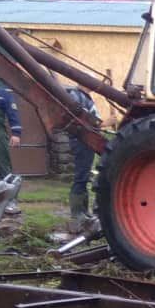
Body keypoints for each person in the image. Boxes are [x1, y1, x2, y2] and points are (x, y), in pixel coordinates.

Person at [63, 84, 104, 232]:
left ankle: (84, 211)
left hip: (87, 140)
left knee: (85, 175)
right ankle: (76, 213)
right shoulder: (76, 97)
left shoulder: (85, 97)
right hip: (81, 140)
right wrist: (107, 123)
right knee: (81, 176)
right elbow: (89, 119)